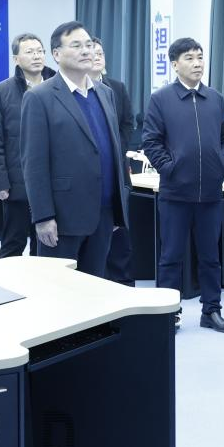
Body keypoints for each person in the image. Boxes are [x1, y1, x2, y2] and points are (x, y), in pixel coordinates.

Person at [142, 37, 224, 333]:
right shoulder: (161, 99)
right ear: (175, 64)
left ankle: (212, 311)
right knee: (171, 257)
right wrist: (170, 169)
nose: (197, 63)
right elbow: (151, 141)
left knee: (210, 257)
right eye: (189, 58)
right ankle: (168, 313)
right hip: (175, 193)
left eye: (200, 57)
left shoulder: (215, 98)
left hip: (210, 193)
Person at [20, 22, 129, 277]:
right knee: (59, 290)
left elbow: (112, 151)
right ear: (57, 54)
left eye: (89, 45)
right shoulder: (40, 97)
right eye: (77, 45)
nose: (86, 51)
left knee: (95, 287)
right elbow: (33, 163)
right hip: (63, 217)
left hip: (103, 214)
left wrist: (117, 209)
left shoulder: (105, 93)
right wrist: (43, 217)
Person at [0, 33, 56, 258]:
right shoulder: (0, 92)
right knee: (13, 243)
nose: (36, 56)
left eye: (40, 51)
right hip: (18, 182)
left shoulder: (59, 86)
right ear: (16, 59)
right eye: (29, 52)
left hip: (54, 180)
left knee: (47, 244)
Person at [91, 37, 136, 285]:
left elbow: (128, 123)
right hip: (89, 175)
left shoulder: (117, 88)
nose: (97, 57)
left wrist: (117, 148)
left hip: (117, 170)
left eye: (101, 53)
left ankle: (124, 287)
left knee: (120, 237)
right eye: (92, 52)